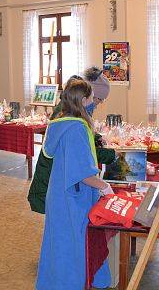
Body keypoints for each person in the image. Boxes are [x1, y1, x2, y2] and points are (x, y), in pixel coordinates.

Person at [35, 79, 112, 290]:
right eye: (92, 98)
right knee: (74, 246)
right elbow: (82, 174)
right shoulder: (76, 129)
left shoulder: (61, 122)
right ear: (84, 99)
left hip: (59, 194)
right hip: (72, 197)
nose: (94, 102)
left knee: (58, 244)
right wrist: (103, 186)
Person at [28, 71, 116, 214]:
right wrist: (104, 186)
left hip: (59, 187)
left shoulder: (71, 116)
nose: (98, 103)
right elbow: (82, 169)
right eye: (97, 99)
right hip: (61, 188)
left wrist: (95, 136)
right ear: (84, 98)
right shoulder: (75, 126)